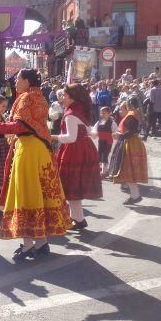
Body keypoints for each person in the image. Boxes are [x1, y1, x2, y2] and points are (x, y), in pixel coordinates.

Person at [0, 69, 70, 259]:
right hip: (41, 150)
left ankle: (28, 245)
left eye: (18, 79)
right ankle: (41, 243)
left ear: (27, 81)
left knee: (25, 194)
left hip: (28, 150)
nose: (15, 83)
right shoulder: (40, 97)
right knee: (39, 193)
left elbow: (20, 126)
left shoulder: (25, 99)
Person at [55, 83, 103, 229]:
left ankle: (78, 219)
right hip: (85, 149)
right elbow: (90, 132)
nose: (62, 97)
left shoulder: (71, 114)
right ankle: (78, 219)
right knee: (74, 187)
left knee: (71, 186)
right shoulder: (80, 110)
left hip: (74, 151)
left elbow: (71, 137)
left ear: (72, 97)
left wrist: (52, 136)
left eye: (64, 95)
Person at [108, 97, 149, 204]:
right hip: (130, 142)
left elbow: (132, 131)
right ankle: (135, 195)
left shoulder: (131, 115)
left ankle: (135, 195)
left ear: (129, 105)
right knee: (128, 170)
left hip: (130, 143)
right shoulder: (134, 114)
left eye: (123, 108)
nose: (120, 111)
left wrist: (119, 136)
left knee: (128, 168)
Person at [92, 105, 118, 176]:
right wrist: (94, 134)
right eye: (101, 113)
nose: (102, 115)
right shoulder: (99, 122)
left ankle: (104, 170)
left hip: (108, 142)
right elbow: (94, 129)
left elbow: (115, 131)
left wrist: (114, 135)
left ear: (109, 113)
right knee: (99, 154)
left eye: (104, 113)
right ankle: (100, 168)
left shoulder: (112, 123)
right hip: (101, 141)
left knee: (105, 155)